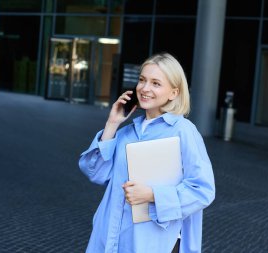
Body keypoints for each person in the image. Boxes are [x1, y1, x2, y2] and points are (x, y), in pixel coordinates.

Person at [79, 52, 215, 253]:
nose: (145, 88)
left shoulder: (184, 131)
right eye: (142, 80)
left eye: (156, 83)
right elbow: (95, 172)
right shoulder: (126, 133)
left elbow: (203, 190)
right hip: (113, 238)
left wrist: (152, 194)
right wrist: (112, 124)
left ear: (174, 93)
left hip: (155, 243)